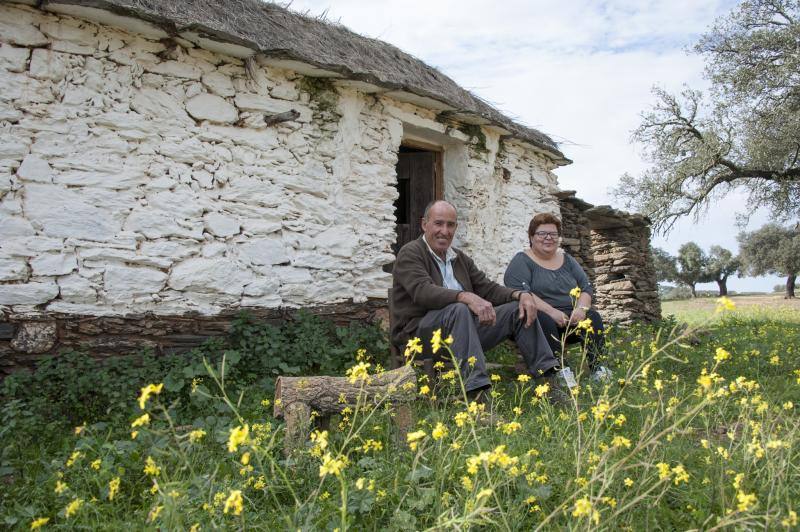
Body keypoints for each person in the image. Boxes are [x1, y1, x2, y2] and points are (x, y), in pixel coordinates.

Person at [391, 200, 568, 404]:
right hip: (419, 335)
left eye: (450, 225)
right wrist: (465, 296)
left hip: (462, 331)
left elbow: (488, 288)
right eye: (438, 223)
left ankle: (549, 385)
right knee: (458, 308)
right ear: (424, 224)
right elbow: (423, 292)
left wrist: (520, 295)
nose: (444, 231)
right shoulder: (411, 252)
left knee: (515, 310)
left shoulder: (459, 257)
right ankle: (478, 397)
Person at [504, 213, 611, 381]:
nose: (548, 238)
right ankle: (560, 372)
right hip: (537, 320)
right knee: (544, 319)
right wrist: (552, 312)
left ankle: (599, 370)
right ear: (531, 237)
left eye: (553, 234)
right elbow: (521, 292)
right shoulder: (521, 261)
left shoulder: (567, 260)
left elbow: (586, 287)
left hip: (570, 320)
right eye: (542, 234)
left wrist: (581, 310)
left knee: (593, 317)